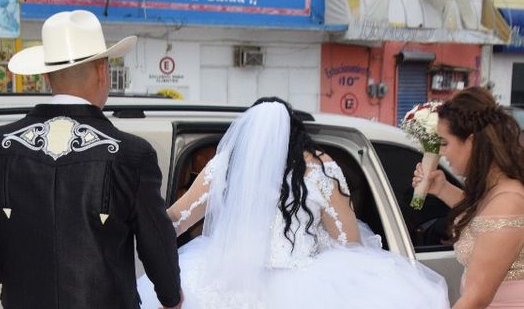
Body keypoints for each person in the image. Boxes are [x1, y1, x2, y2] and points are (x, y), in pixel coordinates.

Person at [0, 10, 183, 309]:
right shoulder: (132, 154)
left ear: (47, 75)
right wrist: (170, 298)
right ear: (103, 71)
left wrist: (27, 277)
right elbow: (156, 243)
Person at [138, 96, 450, 309]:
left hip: (225, 282)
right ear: (295, 132)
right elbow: (348, 241)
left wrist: (127, 227)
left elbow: (176, 220)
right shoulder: (320, 167)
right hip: (304, 286)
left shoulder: (226, 166)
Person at [413, 87, 524, 309]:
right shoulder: (495, 190)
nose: (441, 153)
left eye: (444, 143)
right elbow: (480, 217)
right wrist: (443, 188)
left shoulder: (507, 201)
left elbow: (475, 298)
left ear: (471, 142)